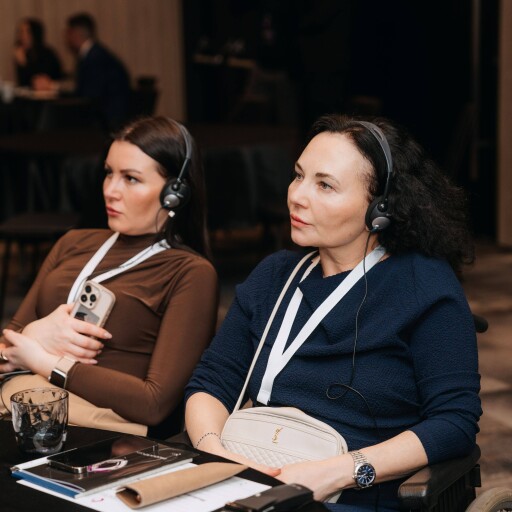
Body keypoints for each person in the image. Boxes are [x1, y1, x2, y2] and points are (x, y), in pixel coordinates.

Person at [184, 114, 481, 510]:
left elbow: (454, 422)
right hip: (250, 479)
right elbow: (211, 382)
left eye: (325, 185)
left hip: (354, 498)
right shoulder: (275, 276)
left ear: (380, 207)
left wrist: (338, 472)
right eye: (298, 176)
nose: (297, 195)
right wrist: (216, 454)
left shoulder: (424, 287)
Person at [0, 116, 218, 438]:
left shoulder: (190, 272)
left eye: (131, 178)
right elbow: (6, 350)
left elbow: (154, 404)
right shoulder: (73, 242)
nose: (110, 190)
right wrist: (36, 333)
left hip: (95, 435)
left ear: (175, 193)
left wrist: (43, 360)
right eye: (108, 173)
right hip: (21, 414)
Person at [64, 12, 131, 129]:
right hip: (111, 115)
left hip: (108, 120)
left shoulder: (94, 58)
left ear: (75, 33)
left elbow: (89, 95)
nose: (66, 38)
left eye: (68, 33)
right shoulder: (96, 53)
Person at [13, 17, 63, 88]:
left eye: (26, 32)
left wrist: (24, 64)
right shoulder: (23, 53)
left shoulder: (47, 54)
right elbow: (23, 83)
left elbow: (38, 80)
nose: (22, 36)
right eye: (21, 32)